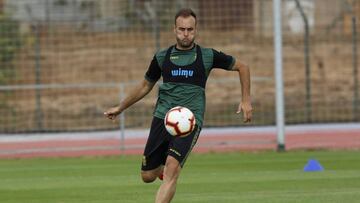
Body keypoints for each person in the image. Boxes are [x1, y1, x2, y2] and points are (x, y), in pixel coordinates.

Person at [104, 8, 252, 203]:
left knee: (172, 169)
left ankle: (170, 171)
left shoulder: (207, 55)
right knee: (147, 176)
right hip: (162, 117)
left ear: (196, 30)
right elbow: (144, 86)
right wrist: (120, 107)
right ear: (174, 29)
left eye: (190, 29)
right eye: (181, 29)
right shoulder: (162, 57)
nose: (185, 34)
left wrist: (246, 100)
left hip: (190, 121)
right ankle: (163, 169)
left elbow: (243, 67)